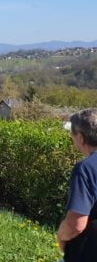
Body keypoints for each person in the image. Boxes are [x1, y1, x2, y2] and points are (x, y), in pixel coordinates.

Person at [58, 109, 97, 261]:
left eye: (72, 135)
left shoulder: (86, 168)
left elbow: (76, 225)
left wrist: (61, 236)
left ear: (81, 138)